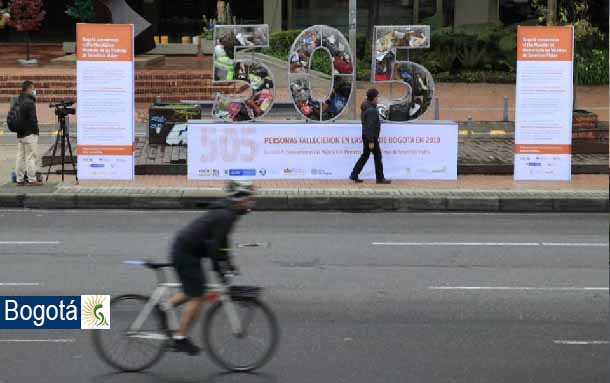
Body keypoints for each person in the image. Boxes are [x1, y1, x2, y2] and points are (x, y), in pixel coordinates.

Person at [166, 180, 255, 355]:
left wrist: (228, 263)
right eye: (250, 199)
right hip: (186, 252)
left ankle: (164, 307)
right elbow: (215, 250)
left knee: (197, 289)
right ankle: (180, 338)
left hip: (189, 250)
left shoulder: (229, 213)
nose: (252, 203)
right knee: (198, 295)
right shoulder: (227, 215)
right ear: (240, 199)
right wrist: (221, 271)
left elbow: (222, 242)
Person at [350, 88, 391, 184]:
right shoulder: (371, 110)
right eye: (377, 97)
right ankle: (380, 178)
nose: (378, 99)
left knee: (365, 155)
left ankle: (354, 174)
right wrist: (372, 141)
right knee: (377, 156)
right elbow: (370, 126)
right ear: (373, 98)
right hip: (370, 137)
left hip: (366, 135)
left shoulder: (366, 105)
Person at [14, 81, 41, 186]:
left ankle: (19, 179)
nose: (34, 91)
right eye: (33, 88)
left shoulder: (18, 100)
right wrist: (36, 131)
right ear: (29, 89)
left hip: (20, 133)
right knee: (31, 157)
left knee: (20, 157)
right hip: (30, 133)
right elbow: (33, 120)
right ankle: (32, 179)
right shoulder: (30, 102)